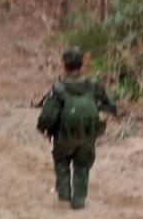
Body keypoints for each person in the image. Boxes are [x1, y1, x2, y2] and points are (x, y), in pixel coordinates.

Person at [35, 47, 118, 210]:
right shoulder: (93, 86)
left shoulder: (58, 88)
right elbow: (110, 107)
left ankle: (64, 196)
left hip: (64, 136)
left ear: (64, 65)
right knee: (82, 165)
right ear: (82, 65)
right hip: (87, 135)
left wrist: (43, 129)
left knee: (61, 161)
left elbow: (48, 116)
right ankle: (79, 200)